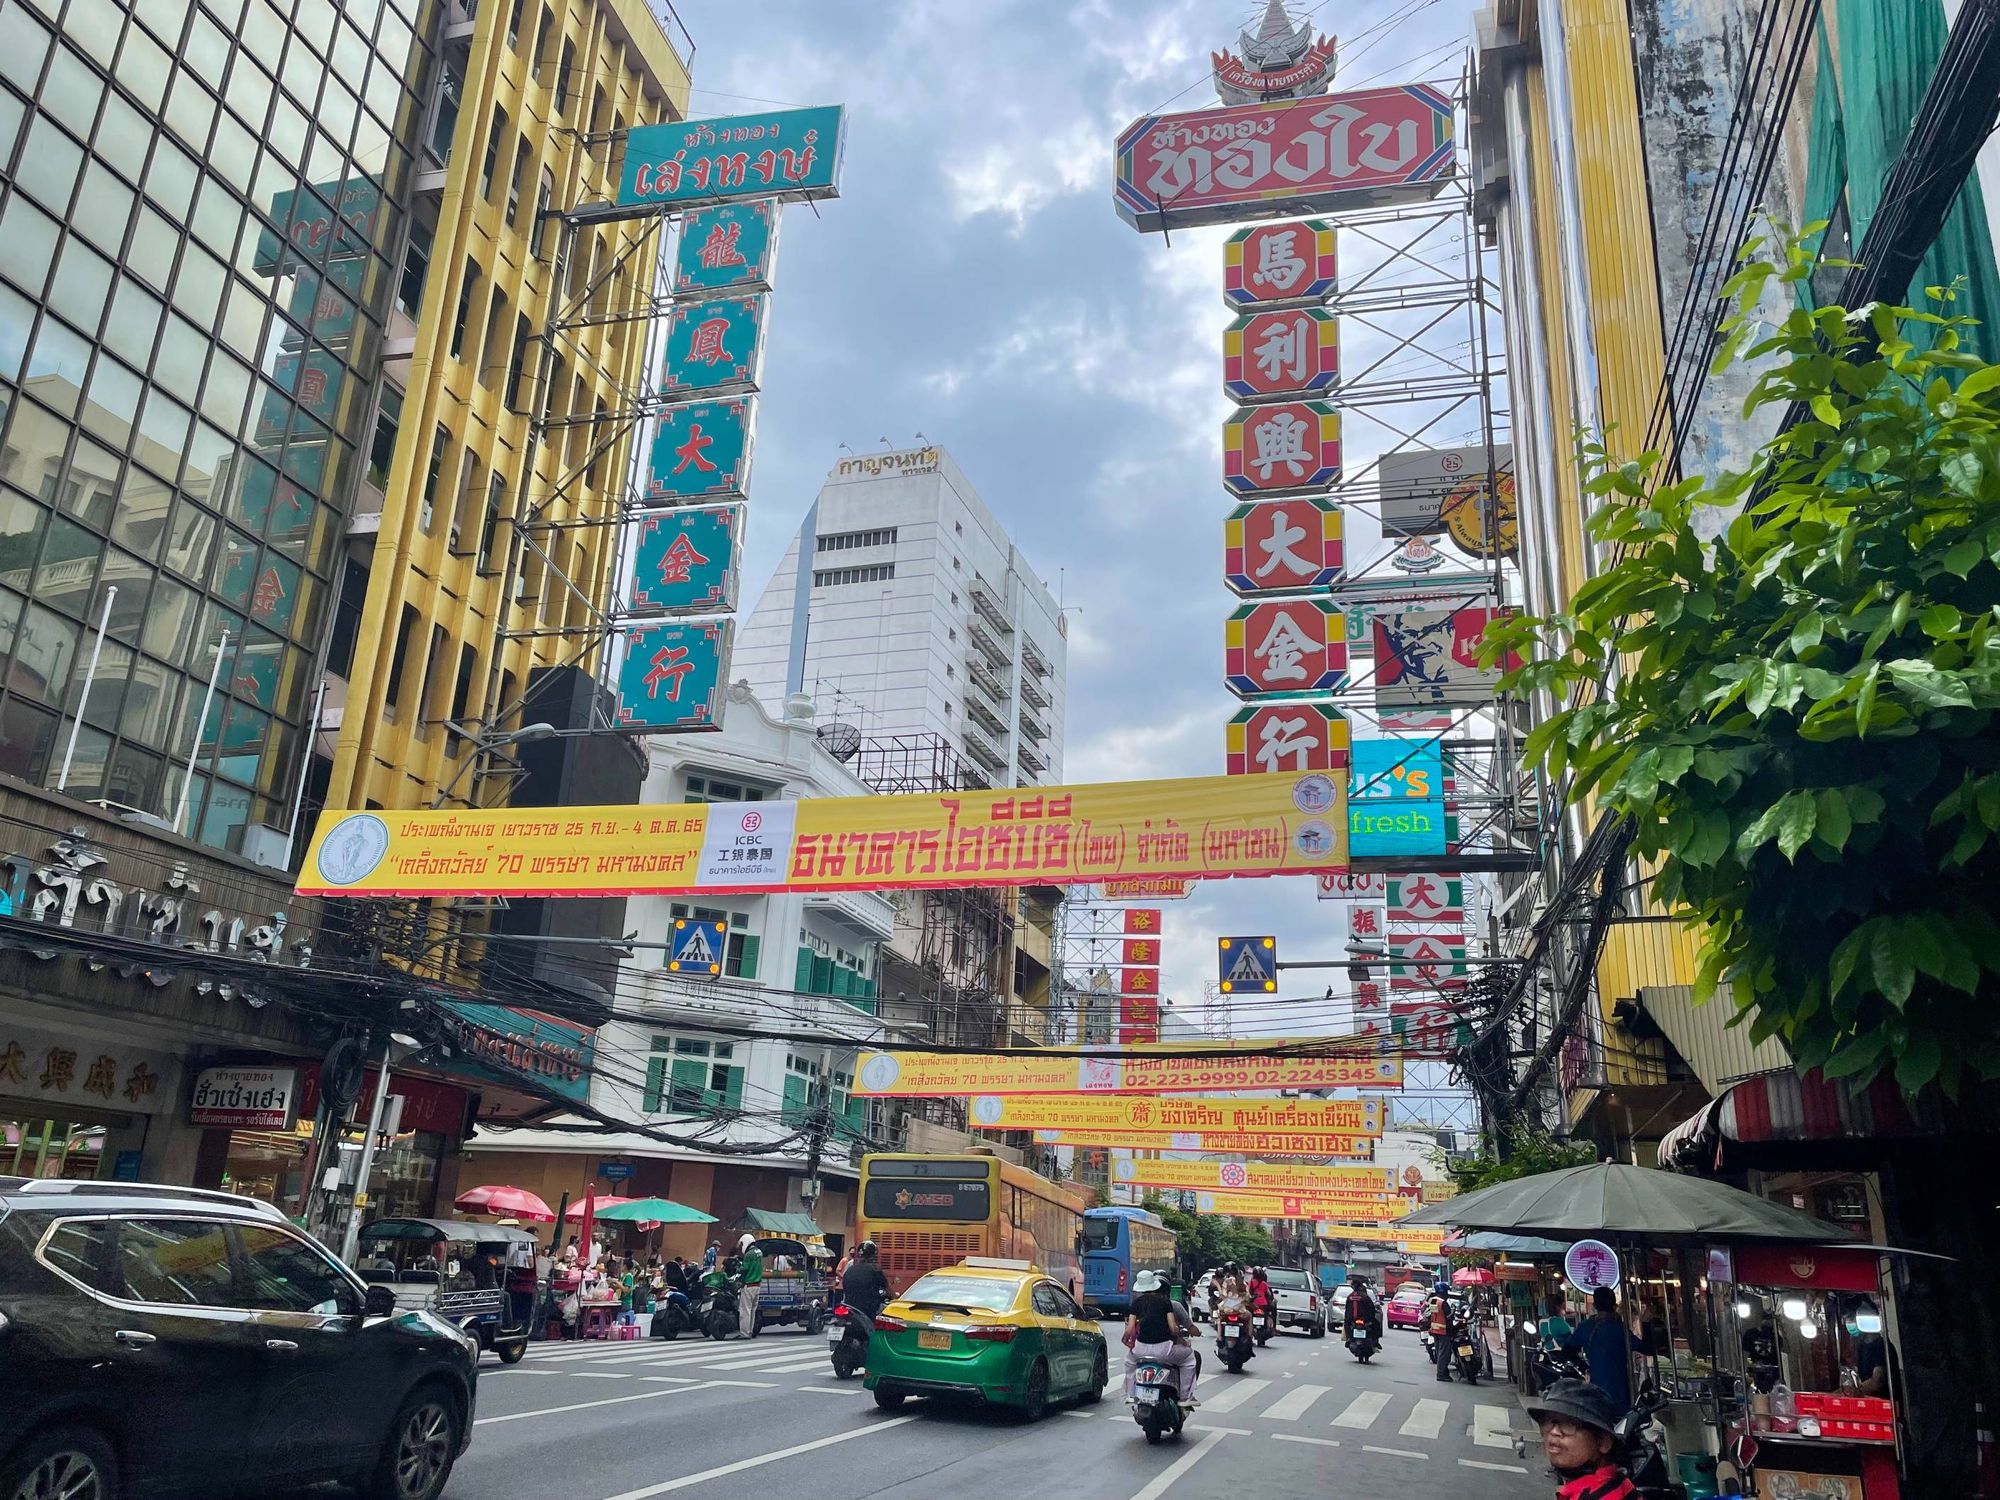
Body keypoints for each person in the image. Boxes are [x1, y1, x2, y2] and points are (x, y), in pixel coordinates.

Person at [1527, 1378, 1636, 1499]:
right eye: (1549, 1422)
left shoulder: (1602, 1495)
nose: (1554, 1431)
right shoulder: (1609, 1483)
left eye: (1569, 1424)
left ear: (1603, 1442)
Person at [1124, 1270, 1198, 1406]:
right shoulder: (1166, 1303)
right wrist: (1182, 1340)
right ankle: (1185, 1397)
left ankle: (1131, 1394)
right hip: (1164, 1350)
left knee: (1129, 1363)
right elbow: (1173, 1329)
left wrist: (1126, 1342)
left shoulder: (1136, 1304)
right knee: (1189, 1359)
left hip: (1140, 1349)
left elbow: (1130, 1329)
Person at [1564, 1287, 1634, 1412]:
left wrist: (1584, 1367)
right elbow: (1647, 1348)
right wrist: (1646, 1322)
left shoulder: (1586, 1326)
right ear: (1614, 1305)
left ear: (1595, 1306)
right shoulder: (1619, 1328)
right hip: (1620, 1392)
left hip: (1596, 1389)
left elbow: (1567, 1350)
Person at [841, 1240, 891, 1322]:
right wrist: (896, 1296)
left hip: (848, 1307)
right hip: (868, 1310)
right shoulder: (875, 1270)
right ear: (873, 1255)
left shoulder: (850, 1270)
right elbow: (888, 1290)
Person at [735, 1233, 764, 1339]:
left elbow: (744, 1269)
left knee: (745, 1311)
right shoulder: (759, 1252)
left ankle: (744, 1333)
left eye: (742, 1244)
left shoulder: (749, 1254)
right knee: (752, 1310)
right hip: (757, 1285)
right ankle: (750, 1331)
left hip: (749, 1285)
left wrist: (738, 1267)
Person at [1427, 1286, 1457, 1381]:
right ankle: (1441, 1374)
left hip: (1435, 1330)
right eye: (1446, 1292)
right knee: (1444, 1354)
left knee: (1440, 1353)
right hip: (1443, 1331)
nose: (1447, 1294)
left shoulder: (1433, 1300)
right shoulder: (1443, 1303)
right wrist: (1453, 1312)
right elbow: (1448, 1317)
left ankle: (1442, 1372)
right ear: (1443, 1292)